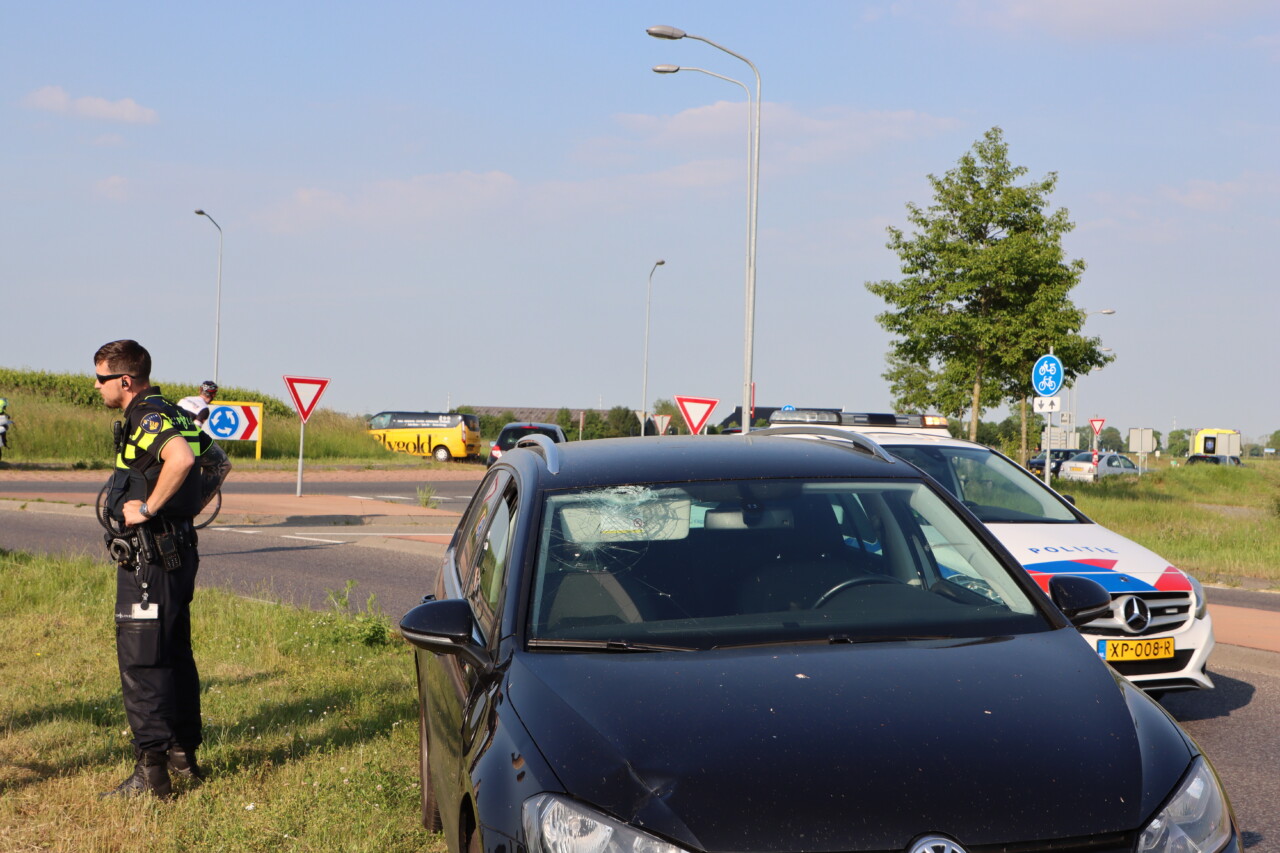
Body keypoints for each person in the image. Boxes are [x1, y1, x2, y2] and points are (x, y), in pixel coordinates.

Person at [93, 340, 209, 799]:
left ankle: (152, 774)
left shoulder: (149, 415)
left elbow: (181, 459)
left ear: (125, 380)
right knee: (174, 651)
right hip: (176, 549)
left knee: (144, 660)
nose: (96, 385)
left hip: (150, 557)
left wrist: (151, 507)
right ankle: (183, 758)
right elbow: (214, 462)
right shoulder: (176, 410)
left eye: (101, 378)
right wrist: (181, 513)